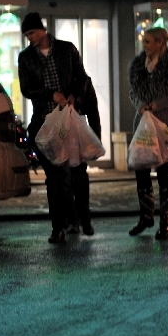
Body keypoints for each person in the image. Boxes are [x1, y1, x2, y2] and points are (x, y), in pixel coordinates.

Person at [18, 12, 91, 244]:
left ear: (42, 29)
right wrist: (51, 94)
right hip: (44, 123)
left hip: (68, 120)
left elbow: (81, 79)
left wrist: (74, 97)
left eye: (31, 33)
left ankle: (78, 218)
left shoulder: (66, 50)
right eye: (27, 35)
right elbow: (27, 89)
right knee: (54, 177)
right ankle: (58, 227)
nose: (29, 38)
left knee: (75, 174)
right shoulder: (26, 58)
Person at [128, 27, 168, 240]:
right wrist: (140, 105)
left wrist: (160, 104)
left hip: (164, 126)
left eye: (147, 41)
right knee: (141, 169)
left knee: (164, 173)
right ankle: (146, 216)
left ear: (159, 43)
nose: (144, 45)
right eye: (143, 41)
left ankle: (166, 223)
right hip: (143, 124)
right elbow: (133, 92)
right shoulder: (138, 66)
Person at [67, 76, 101, 236]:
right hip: (69, 132)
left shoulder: (83, 81)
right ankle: (81, 220)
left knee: (76, 177)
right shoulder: (83, 80)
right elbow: (93, 112)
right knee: (76, 177)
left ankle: (79, 220)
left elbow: (93, 111)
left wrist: (95, 140)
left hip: (74, 134)